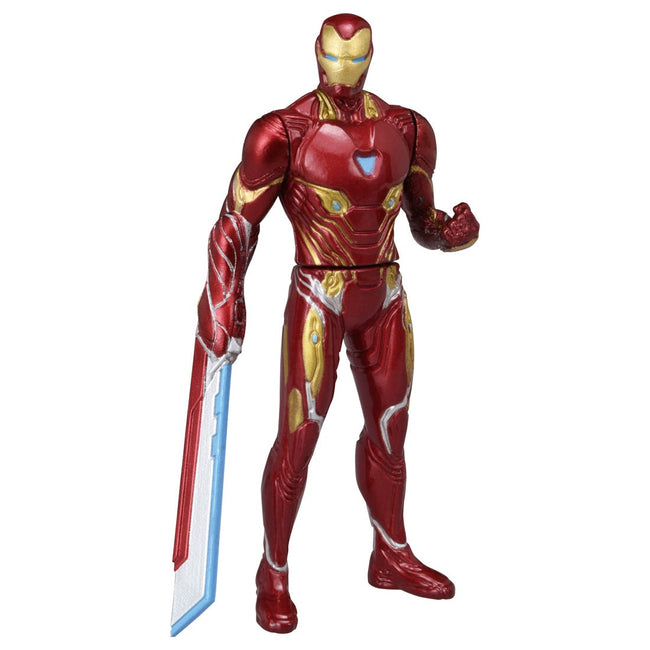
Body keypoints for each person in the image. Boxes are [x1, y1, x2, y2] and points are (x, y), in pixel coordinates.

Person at [196, 13, 479, 633]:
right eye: (333, 57)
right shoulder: (283, 131)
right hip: (318, 295)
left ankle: (391, 554)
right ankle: (272, 573)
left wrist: (453, 234)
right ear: (316, 53)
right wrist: (221, 302)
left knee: (391, 430)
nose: (343, 70)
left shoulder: (408, 128)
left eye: (355, 58)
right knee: (298, 440)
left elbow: (423, 222)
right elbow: (234, 227)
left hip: (386, 292)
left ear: (373, 56)